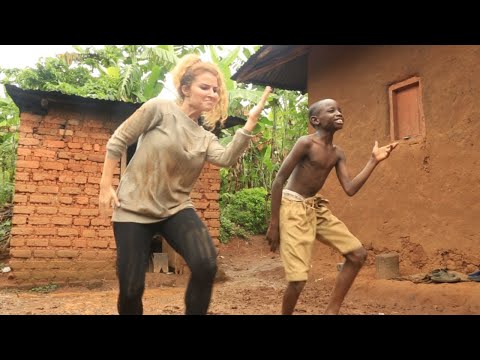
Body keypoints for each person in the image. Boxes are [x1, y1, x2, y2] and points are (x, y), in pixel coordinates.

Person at [99, 53, 273, 315]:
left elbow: (225, 158)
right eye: (205, 87)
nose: (212, 93)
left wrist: (249, 124)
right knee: (132, 288)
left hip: (176, 208)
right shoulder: (159, 108)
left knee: (206, 264)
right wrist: (105, 185)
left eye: (215, 89)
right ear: (185, 88)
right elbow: (119, 140)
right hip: (133, 208)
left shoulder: (204, 137)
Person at [266, 98, 398, 315]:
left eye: (340, 110)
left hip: (315, 207)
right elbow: (279, 180)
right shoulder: (305, 143)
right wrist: (274, 223)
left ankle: (332, 310)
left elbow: (350, 188)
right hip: (292, 207)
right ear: (315, 120)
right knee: (298, 279)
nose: (338, 113)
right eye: (331, 110)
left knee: (357, 254)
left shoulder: (338, 153)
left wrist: (373, 161)